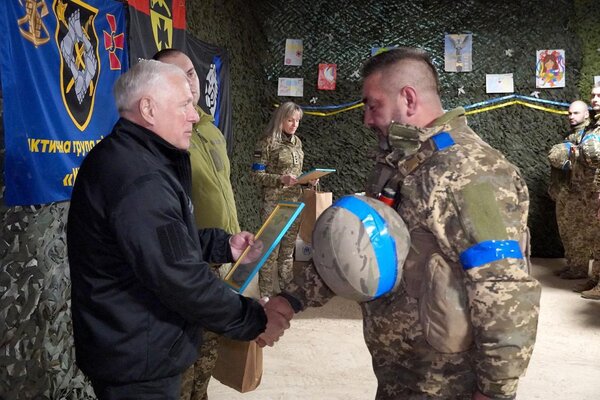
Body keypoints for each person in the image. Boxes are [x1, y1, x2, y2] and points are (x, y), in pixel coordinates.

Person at [268, 47, 542, 399]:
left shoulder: (471, 172)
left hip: (446, 384)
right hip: (402, 374)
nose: (366, 118)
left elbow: (503, 286)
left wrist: (495, 390)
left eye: (372, 104)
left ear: (408, 98)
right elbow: (363, 249)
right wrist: (291, 299)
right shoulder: (399, 164)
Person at [67, 60, 291, 400]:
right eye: (185, 104)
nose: (193, 115)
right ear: (148, 109)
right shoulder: (137, 177)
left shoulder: (138, 159)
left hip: (137, 348)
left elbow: (156, 246)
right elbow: (179, 275)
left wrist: (221, 245)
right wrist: (254, 318)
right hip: (139, 363)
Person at [152, 48, 241, 400]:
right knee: (185, 356)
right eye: (180, 75)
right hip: (188, 261)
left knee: (208, 350)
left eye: (192, 72)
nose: (191, 80)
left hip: (220, 255)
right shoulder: (162, 136)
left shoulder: (208, 128)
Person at [252, 101, 316, 298]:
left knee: (288, 251)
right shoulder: (267, 142)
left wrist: (307, 182)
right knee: (269, 250)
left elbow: (296, 175)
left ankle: (287, 290)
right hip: (274, 204)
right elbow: (255, 176)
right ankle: (265, 293)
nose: (294, 124)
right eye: (290, 120)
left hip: (294, 202)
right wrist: (280, 179)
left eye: (297, 121)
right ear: (281, 119)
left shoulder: (298, 143)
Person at [548, 100, 591, 280]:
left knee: (576, 231)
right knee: (567, 230)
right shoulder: (574, 134)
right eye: (570, 113)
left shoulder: (589, 135)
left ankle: (580, 269)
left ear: (586, 114)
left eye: (576, 113)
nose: (572, 117)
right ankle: (574, 264)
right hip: (570, 188)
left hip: (582, 191)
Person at [567, 83, 600, 299]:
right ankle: (596, 279)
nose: (595, 98)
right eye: (593, 95)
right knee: (596, 237)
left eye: (599, 95)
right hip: (593, 189)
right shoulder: (594, 127)